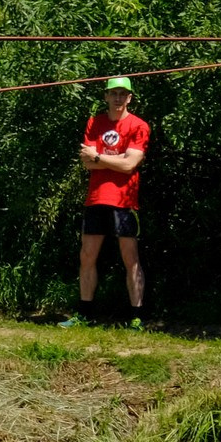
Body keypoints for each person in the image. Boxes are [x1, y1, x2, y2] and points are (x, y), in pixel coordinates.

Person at [62, 77, 150, 329]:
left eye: (123, 94)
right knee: (87, 255)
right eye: (114, 93)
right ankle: (84, 313)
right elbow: (87, 162)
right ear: (106, 97)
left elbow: (130, 164)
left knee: (130, 258)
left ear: (130, 98)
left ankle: (137, 316)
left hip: (125, 200)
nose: (118, 98)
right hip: (96, 198)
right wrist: (114, 159)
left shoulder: (138, 125)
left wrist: (100, 156)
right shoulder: (95, 123)